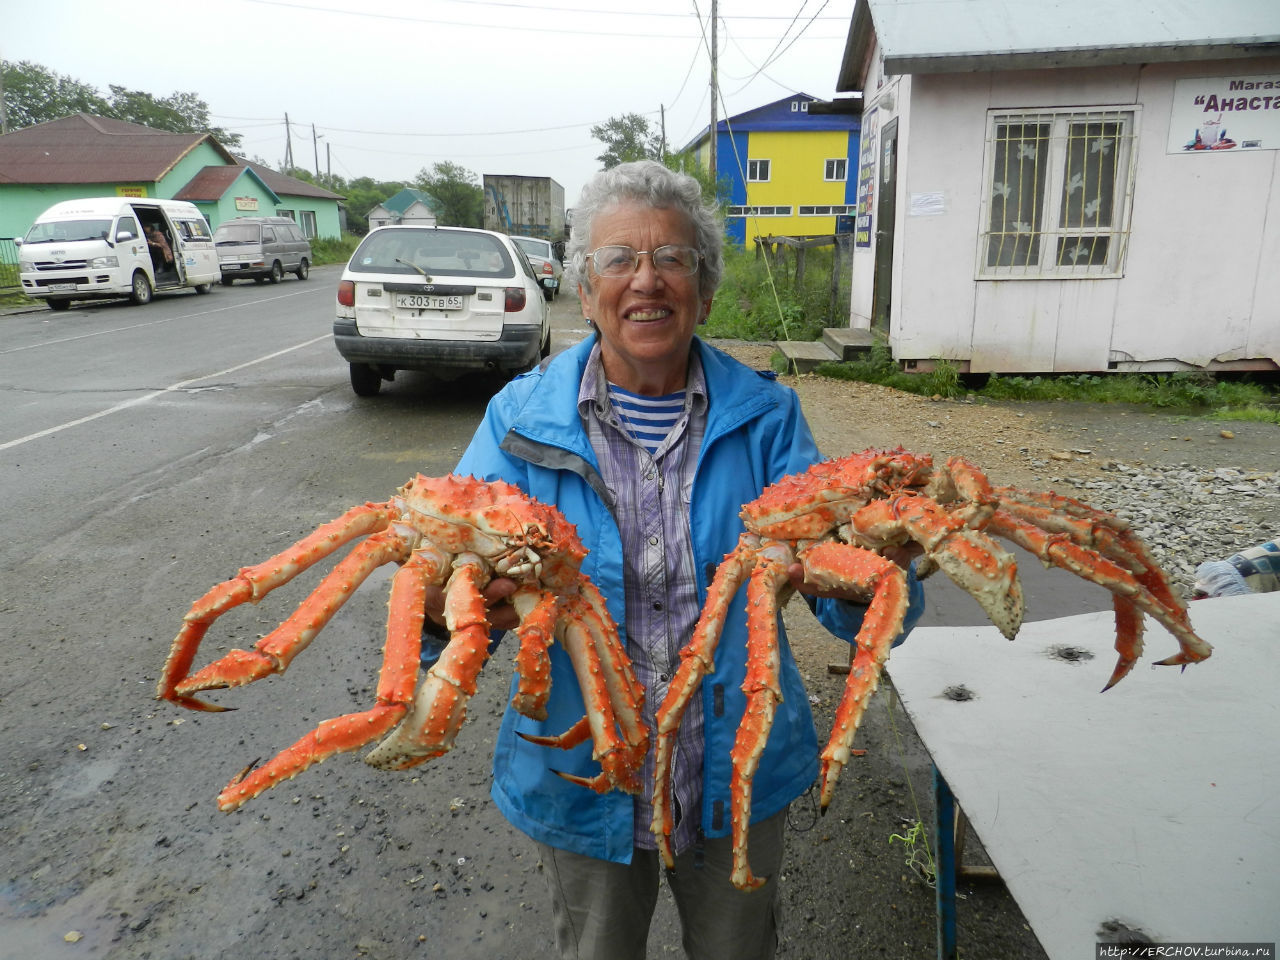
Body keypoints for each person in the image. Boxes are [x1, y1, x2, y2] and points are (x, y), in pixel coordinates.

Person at [425, 160, 925, 960]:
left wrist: (887, 562)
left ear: (706, 286)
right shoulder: (518, 422)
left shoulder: (767, 417)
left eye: (673, 259)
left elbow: (846, 598)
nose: (645, 280)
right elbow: (446, 590)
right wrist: (445, 603)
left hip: (736, 762)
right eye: (619, 259)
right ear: (585, 290)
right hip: (581, 767)